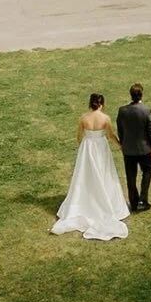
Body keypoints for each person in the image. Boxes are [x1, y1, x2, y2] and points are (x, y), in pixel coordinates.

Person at [50, 93, 130, 241]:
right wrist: (120, 145)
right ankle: (107, 201)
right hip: (100, 148)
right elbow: (111, 135)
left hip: (87, 148)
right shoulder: (105, 118)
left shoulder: (83, 118)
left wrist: (84, 147)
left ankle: (86, 198)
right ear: (101, 104)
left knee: (84, 175)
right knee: (104, 173)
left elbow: (79, 137)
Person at [117, 82, 151, 213]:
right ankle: (142, 200)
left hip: (128, 149)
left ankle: (134, 202)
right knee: (147, 171)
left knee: (130, 176)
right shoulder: (146, 110)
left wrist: (122, 143)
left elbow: (120, 129)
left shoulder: (122, 111)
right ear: (141, 94)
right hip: (144, 148)